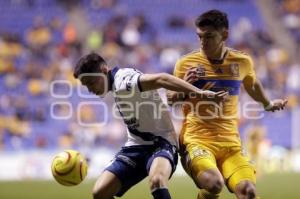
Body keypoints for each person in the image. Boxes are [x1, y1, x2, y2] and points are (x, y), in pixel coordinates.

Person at [168, 10, 288, 199]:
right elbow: (170, 99)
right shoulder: (185, 63)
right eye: (199, 37)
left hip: (230, 144)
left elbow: (253, 85)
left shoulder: (242, 62)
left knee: (248, 192)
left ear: (225, 35)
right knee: (215, 184)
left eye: (209, 36)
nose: (203, 42)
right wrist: (186, 86)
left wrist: (267, 104)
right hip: (196, 141)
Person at [73, 52, 227, 199]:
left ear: (104, 70)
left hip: (162, 143)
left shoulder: (123, 81)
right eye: (87, 86)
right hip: (135, 146)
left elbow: (161, 78)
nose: (90, 90)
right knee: (99, 193)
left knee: (157, 181)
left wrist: (199, 93)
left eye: (91, 83)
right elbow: (158, 99)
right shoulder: (116, 86)